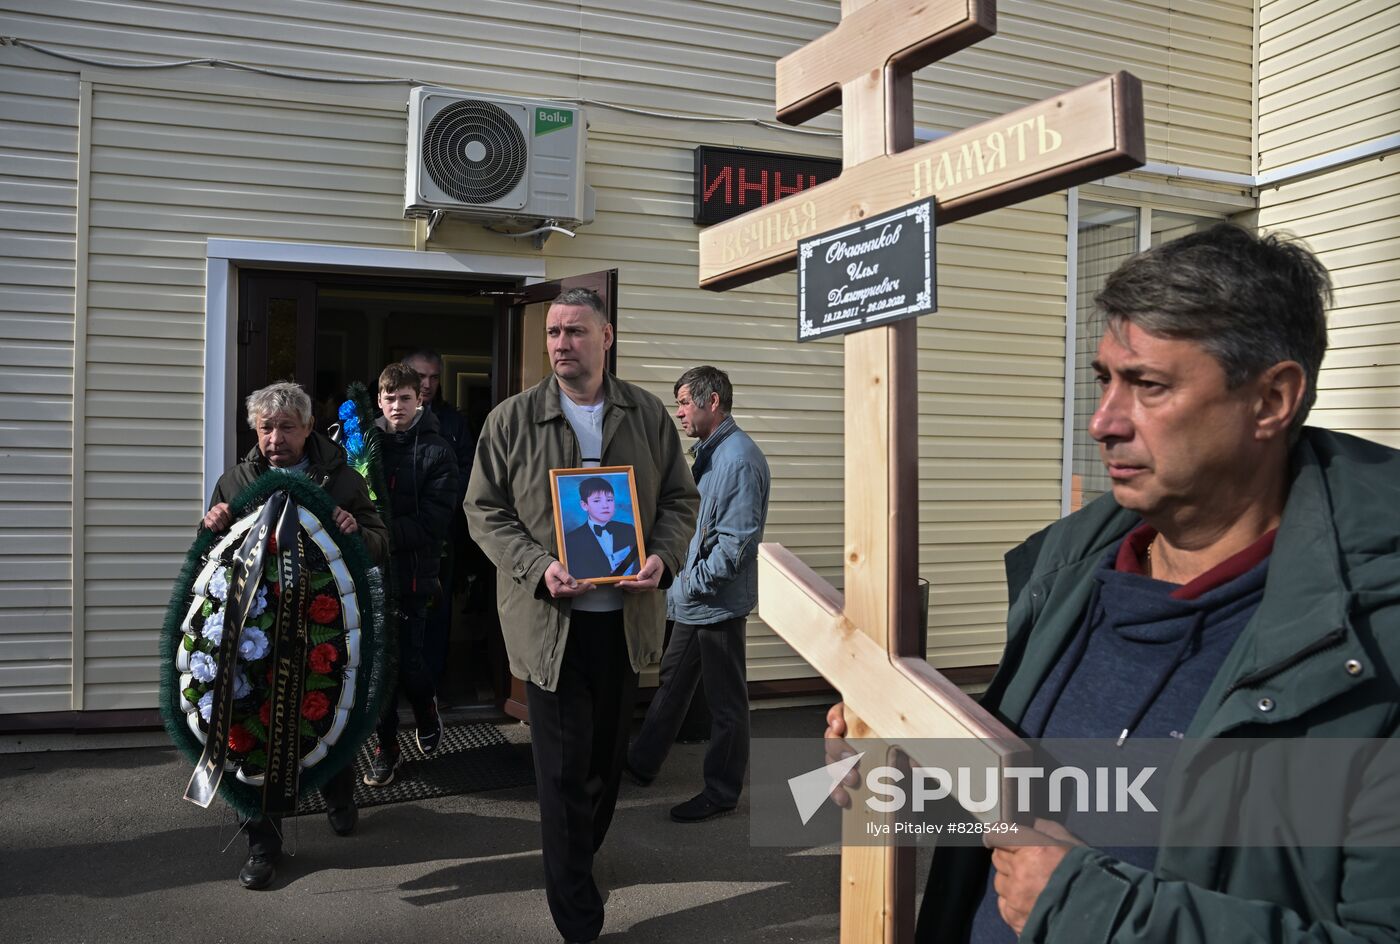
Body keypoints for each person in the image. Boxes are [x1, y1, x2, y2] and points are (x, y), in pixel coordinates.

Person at [825, 223, 1400, 942]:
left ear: (1271, 400)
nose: (1103, 422)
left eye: (1148, 386)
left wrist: (1091, 910)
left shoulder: (1375, 636)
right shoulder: (1065, 575)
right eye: (1105, 379)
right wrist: (904, 772)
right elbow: (1038, 804)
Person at [466, 286, 699, 944]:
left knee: (604, 762)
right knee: (563, 775)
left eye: (574, 331)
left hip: (625, 623)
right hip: (551, 628)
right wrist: (538, 567)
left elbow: (682, 501)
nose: (561, 343)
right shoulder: (512, 421)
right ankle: (577, 915)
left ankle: (580, 856)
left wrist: (662, 556)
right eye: (553, 333)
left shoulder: (647, 415)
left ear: (607, 336)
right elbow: (483, 511)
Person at [202, 381, 389, 890]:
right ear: (254, 431)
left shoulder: (342, 479)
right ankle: (263, 845)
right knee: (252, 726)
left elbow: (379, 541)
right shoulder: (236, 480)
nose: (276, 437)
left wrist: (356, 529)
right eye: (266, 428)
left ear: (309, 428)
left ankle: (338, 793)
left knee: (325, 712)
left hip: (323, 626)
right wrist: (212, 522)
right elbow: (210, 554)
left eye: (287, 426)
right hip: (254, 631)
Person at [626, 365, 771, 822]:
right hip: (693, 600)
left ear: (713, 402)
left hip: (718, 603)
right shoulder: (710, 453)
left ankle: (723, 792)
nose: (679, 412)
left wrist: (688, 582)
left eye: (685, 402)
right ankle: (641, 762)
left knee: (726, 702)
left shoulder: (738, 460)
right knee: (673, 682)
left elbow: (736, 545)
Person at [362, 362, 458, 788]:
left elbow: (434, 522)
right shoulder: (363, 447)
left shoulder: (438, 451)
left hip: (415, 572)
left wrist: (378, 532)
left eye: (405, 397)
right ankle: (386, 748)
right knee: (378, 666)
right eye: (389, 398)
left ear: (420, 397)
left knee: (411, 662)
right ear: (378, 401)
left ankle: (425, 708)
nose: (396, 406)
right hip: (368, 572)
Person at [404, 349, 476, 684]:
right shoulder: (381, 420)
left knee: (437, 607)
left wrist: (440, 505)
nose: (428, 384)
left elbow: (467, 471)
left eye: (434, 377)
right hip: (396, 532)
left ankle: (431, 686)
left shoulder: (453, 422)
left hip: (440, 531)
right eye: (420, 376)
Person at [562, 476, 640, 579]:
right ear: (584, 505)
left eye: (609, 499)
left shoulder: (628, 529)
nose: (605, 505)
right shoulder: (572, 540)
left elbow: (638, 562)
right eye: (597, 501)